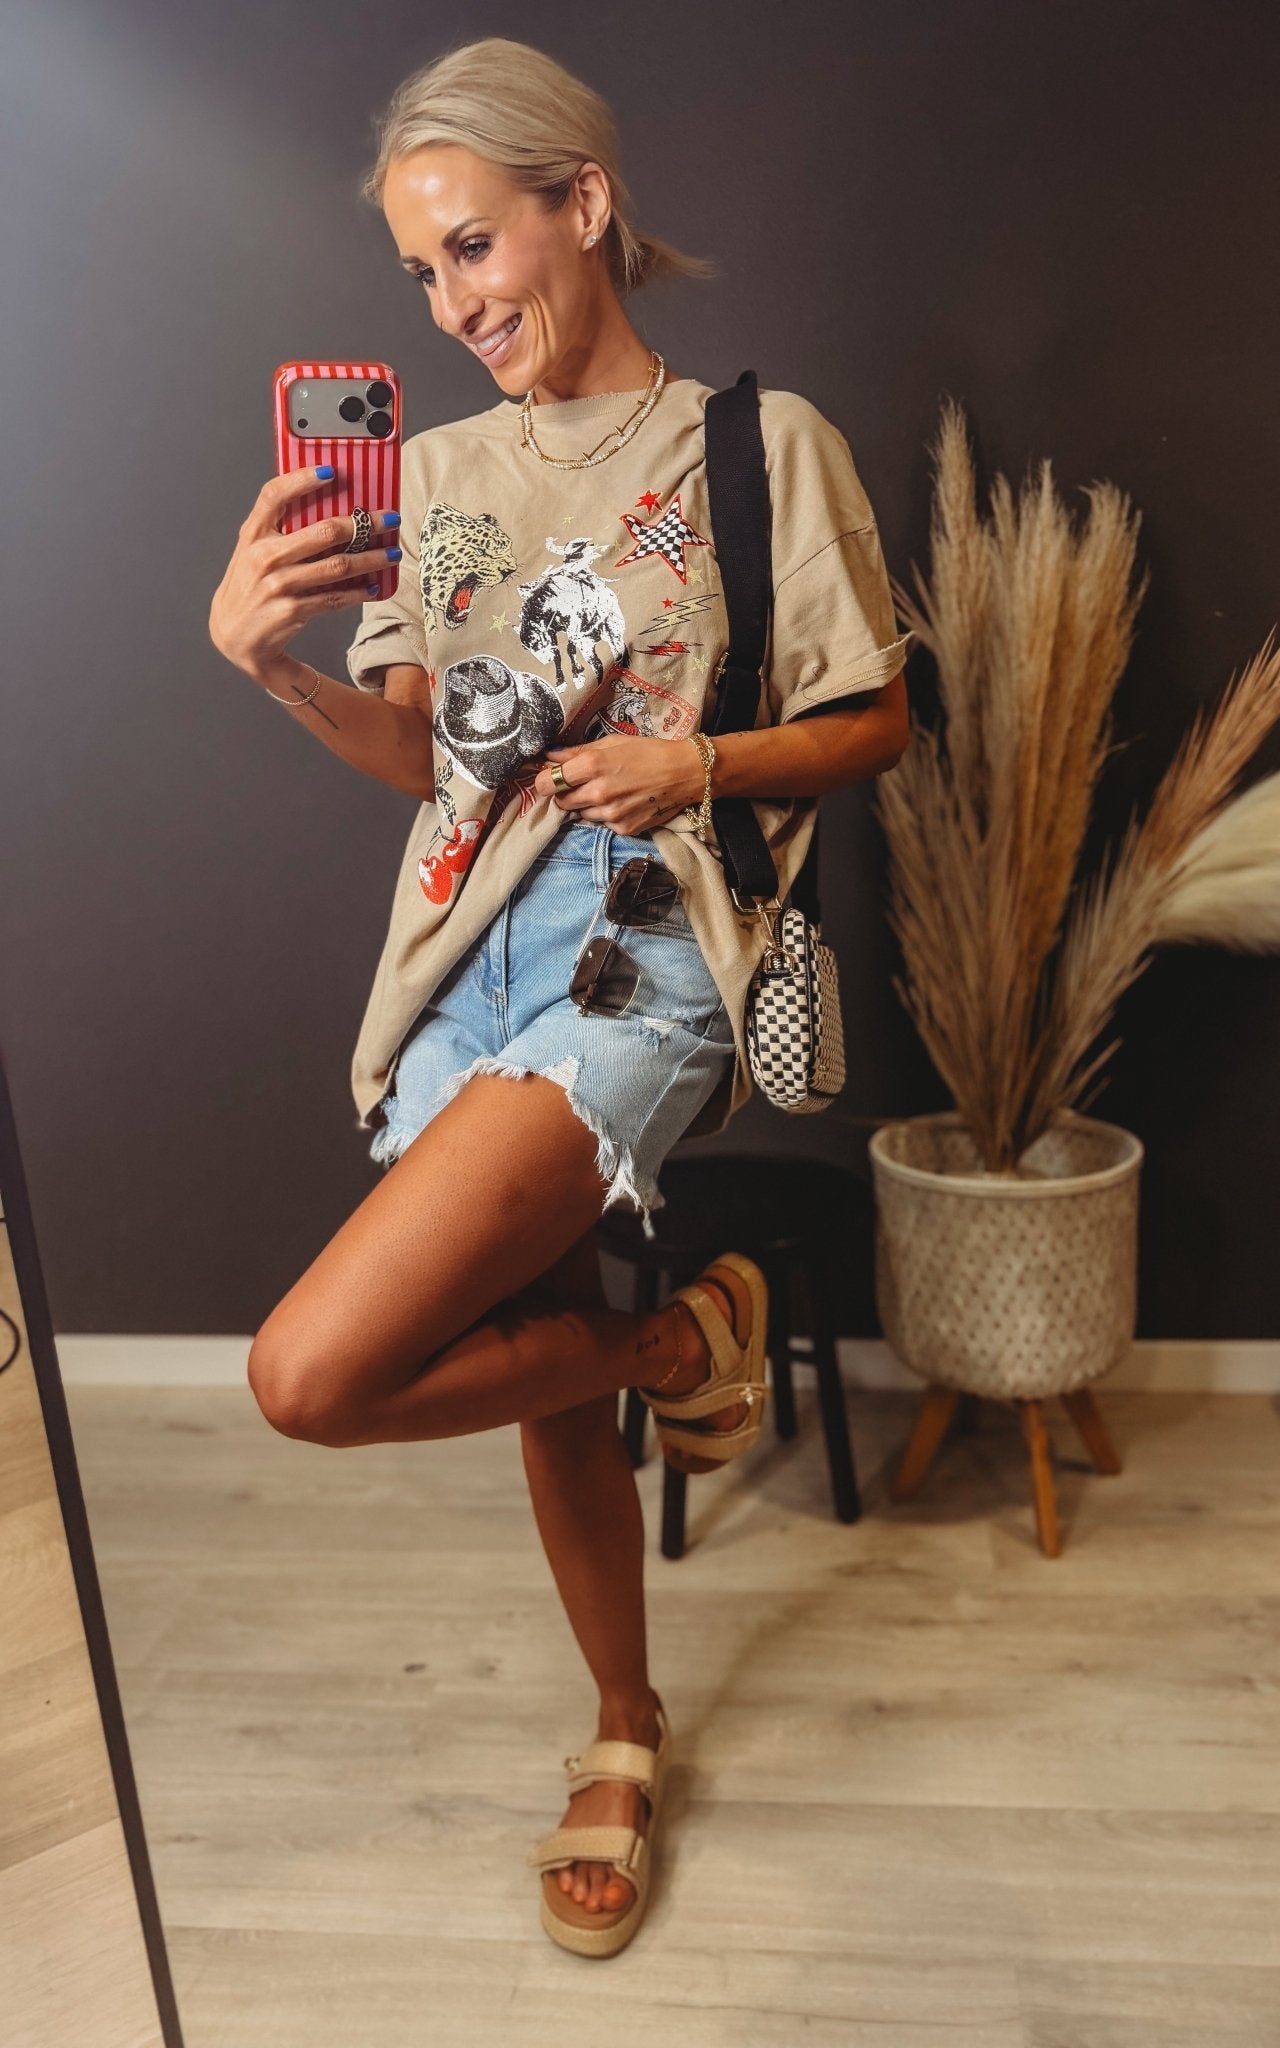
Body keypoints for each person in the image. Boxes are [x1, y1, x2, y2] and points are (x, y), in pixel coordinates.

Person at [207, 35, 911, 1959]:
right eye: (418, 273)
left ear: (582, 203)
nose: (451, 304)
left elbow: (877, 718)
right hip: (458, 951)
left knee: (308, 1374)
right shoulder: (432, 477)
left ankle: (665, 1350)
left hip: (648, 946)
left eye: (472, 247)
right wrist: (274, 668)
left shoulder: (762, 446)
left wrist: (698, 764)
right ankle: (627, 1702)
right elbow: (421, 758)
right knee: (543, 1357)